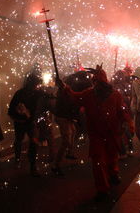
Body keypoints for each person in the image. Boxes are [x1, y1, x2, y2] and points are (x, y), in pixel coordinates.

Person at [56, 65, 134, 202]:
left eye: (100, 82)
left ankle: (114, 173)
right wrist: (64, 88)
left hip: (112, 133)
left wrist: (129, 122)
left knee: (112, 157)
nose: (98, 85)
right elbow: (74, 97)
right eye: (96, 82)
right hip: (96, 135)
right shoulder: (89, 94)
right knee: (98, 162)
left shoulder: (115, 95)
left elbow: (123, 110)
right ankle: (103, 189)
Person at [8, 73, 45, 177]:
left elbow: (43, 103)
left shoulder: (38, 93)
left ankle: (32, 165)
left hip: (31, 122)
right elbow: (11, 109)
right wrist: (19, 115)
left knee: (33, 142)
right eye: (35, 84)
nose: (36, 86)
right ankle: (18, 159)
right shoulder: (20, 94)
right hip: (21, 122)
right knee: (19, 140)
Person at [111, 70, 134, 158]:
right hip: (126, 110)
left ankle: (123, 152)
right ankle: (130, 149)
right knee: (126, 130)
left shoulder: (113, 87)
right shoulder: (127, 85)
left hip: (118, 111)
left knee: (119, 131)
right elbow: (130, 96)